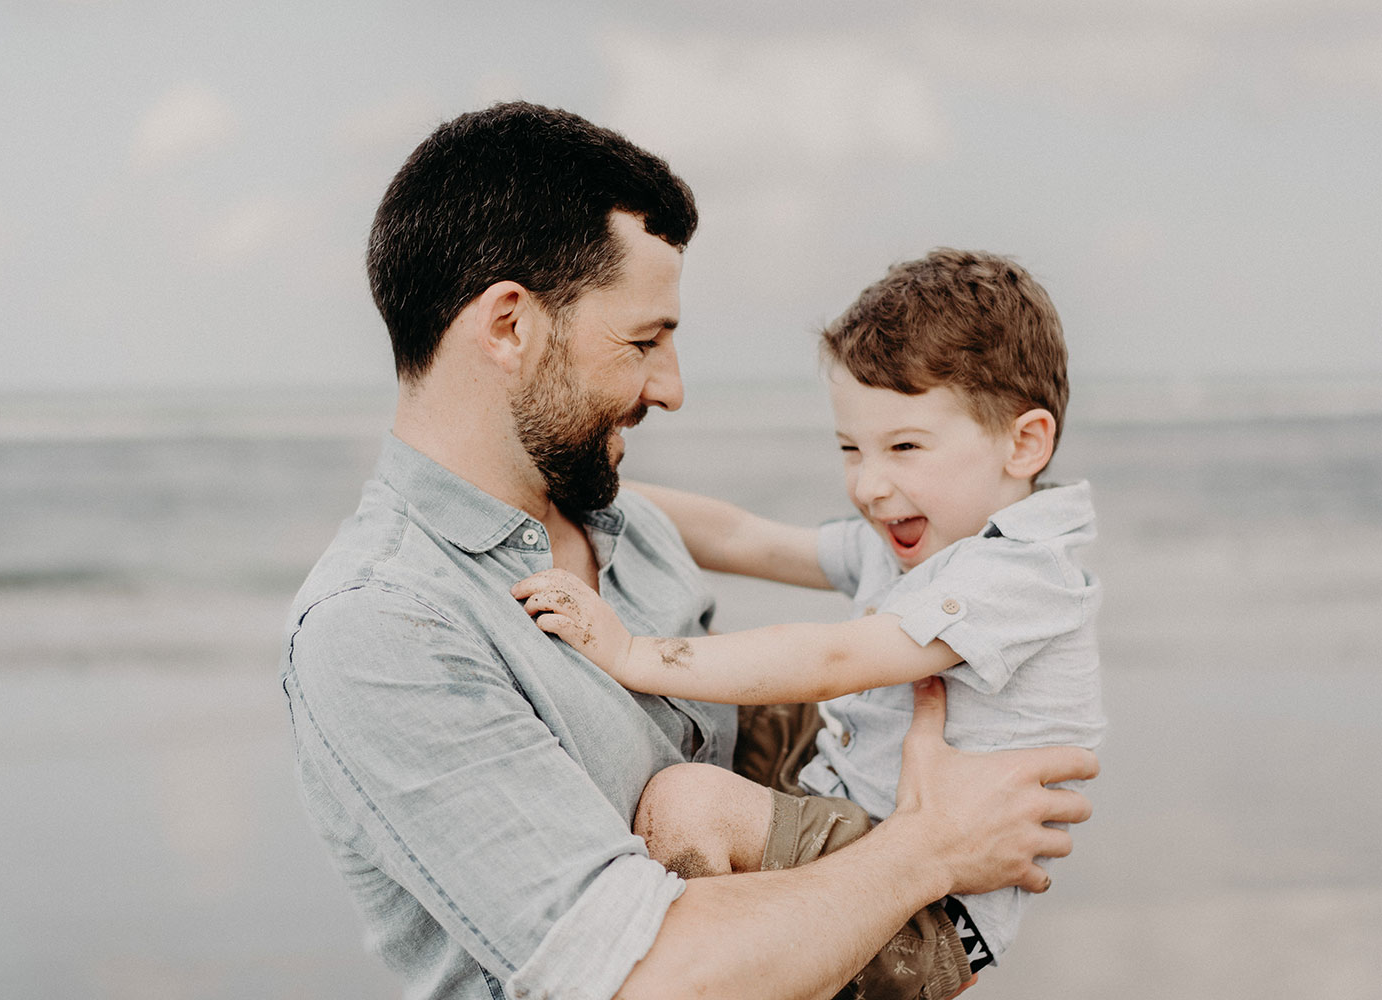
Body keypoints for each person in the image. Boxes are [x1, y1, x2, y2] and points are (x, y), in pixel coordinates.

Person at [282, 102, 1098, 1000]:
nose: (671, 389)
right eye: (644, 342)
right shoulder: (385, 627)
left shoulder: (633, 533)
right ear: (510, 326)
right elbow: (652, 980)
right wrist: (931, 847)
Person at [513, 248, 1106, 984]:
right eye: (851, 449)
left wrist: (634, 652)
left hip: (929, 916)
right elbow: (744, 538)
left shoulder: (1020, 573)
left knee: (686, 801)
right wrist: (567, 484)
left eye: (905, 447)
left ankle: (722, 963)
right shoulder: (930, 535)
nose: (869, 484)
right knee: (696, 691)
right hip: (845, 786)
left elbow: (836, 659)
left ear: (1025, 443)